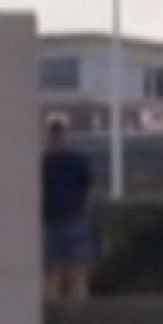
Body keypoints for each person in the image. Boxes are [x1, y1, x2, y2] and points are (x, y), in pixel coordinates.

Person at [41, 117, 94, 302]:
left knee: (67, 273)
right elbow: (88, 189)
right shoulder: (74, 161)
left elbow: (87, 190)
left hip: (64, 220)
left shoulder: (45, 163)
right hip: (62, 221)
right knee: (62, 272)